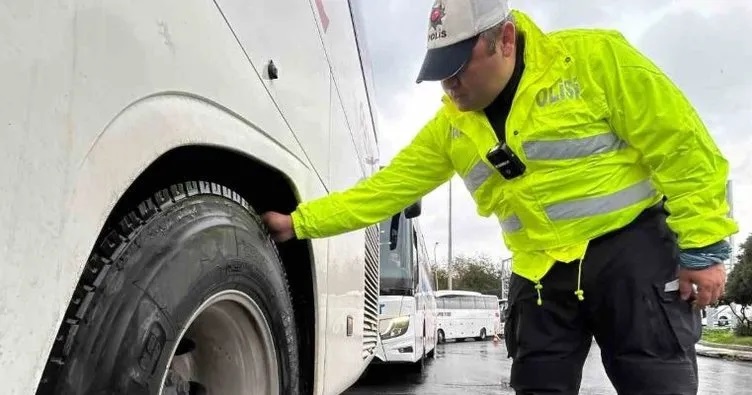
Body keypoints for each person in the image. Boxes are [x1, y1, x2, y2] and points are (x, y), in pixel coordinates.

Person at [262, 0, 737, 393]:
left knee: (656, 382)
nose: (449, 85)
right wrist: (298, 222)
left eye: (458, 67)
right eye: (439, 72)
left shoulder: (595, 61)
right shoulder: (450, 127)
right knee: (536, 384)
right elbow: (381, 192)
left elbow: (683, 148)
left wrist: (704, 249)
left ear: (505, 40)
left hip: (631, 254)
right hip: (539, 274)